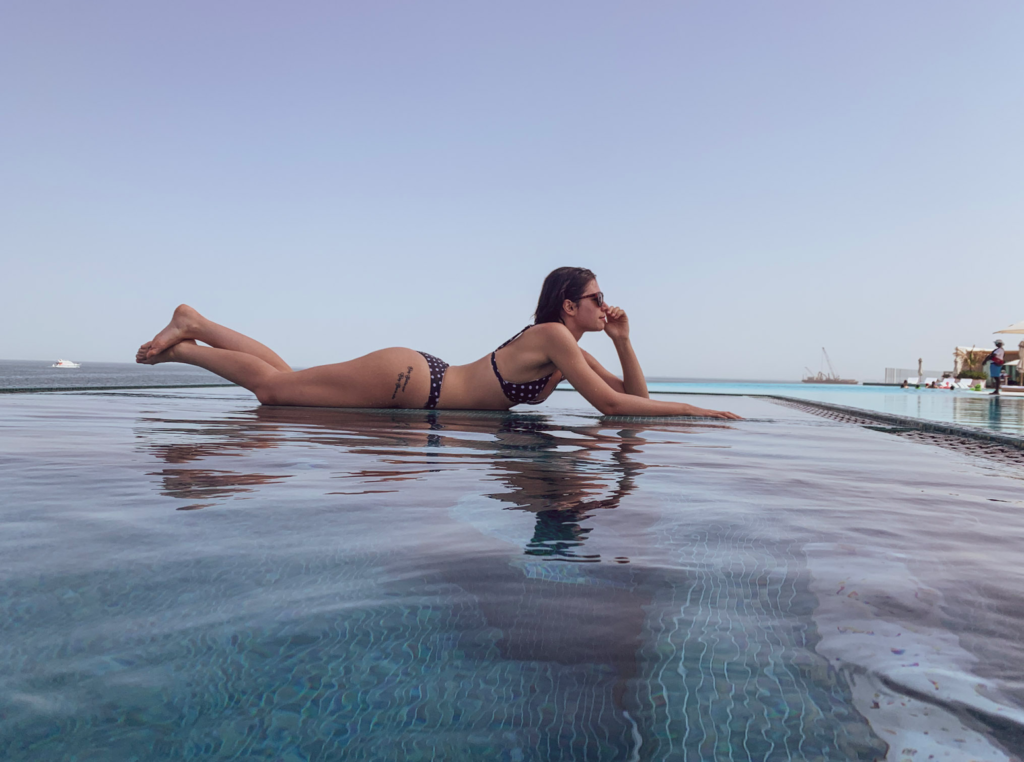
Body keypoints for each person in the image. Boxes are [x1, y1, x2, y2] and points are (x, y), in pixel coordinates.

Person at [136, 267, 741, 420]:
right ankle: (187, 343)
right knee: (275, 393)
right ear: (568, 305)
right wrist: (697, 410)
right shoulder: (555, 336)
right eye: (597, 299)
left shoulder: (572, 349)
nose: (605, 307)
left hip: (417, 388)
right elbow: (614, 412)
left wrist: (624, 341)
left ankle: (197, 323)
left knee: (288, 381)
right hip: (409, 381)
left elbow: (630, 397)